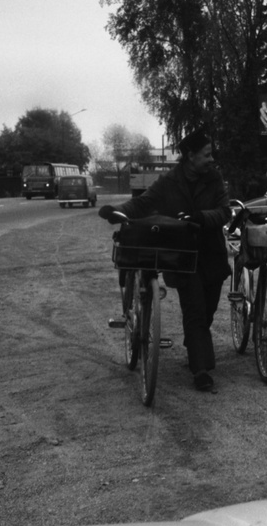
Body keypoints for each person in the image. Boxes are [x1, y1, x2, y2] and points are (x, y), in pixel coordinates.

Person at [99, 127, 231, 393]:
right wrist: (116, 211)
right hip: (182, 255)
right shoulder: (169, 181)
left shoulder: (214, 179)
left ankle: (195, 346)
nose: (211, 159)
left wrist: (201, 217)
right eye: (206, 154)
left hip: (212, 254)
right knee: (194, 309)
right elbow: (142, 203)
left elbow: (224, 212)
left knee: (208, 310)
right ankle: (200, 369)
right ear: (190, 155)